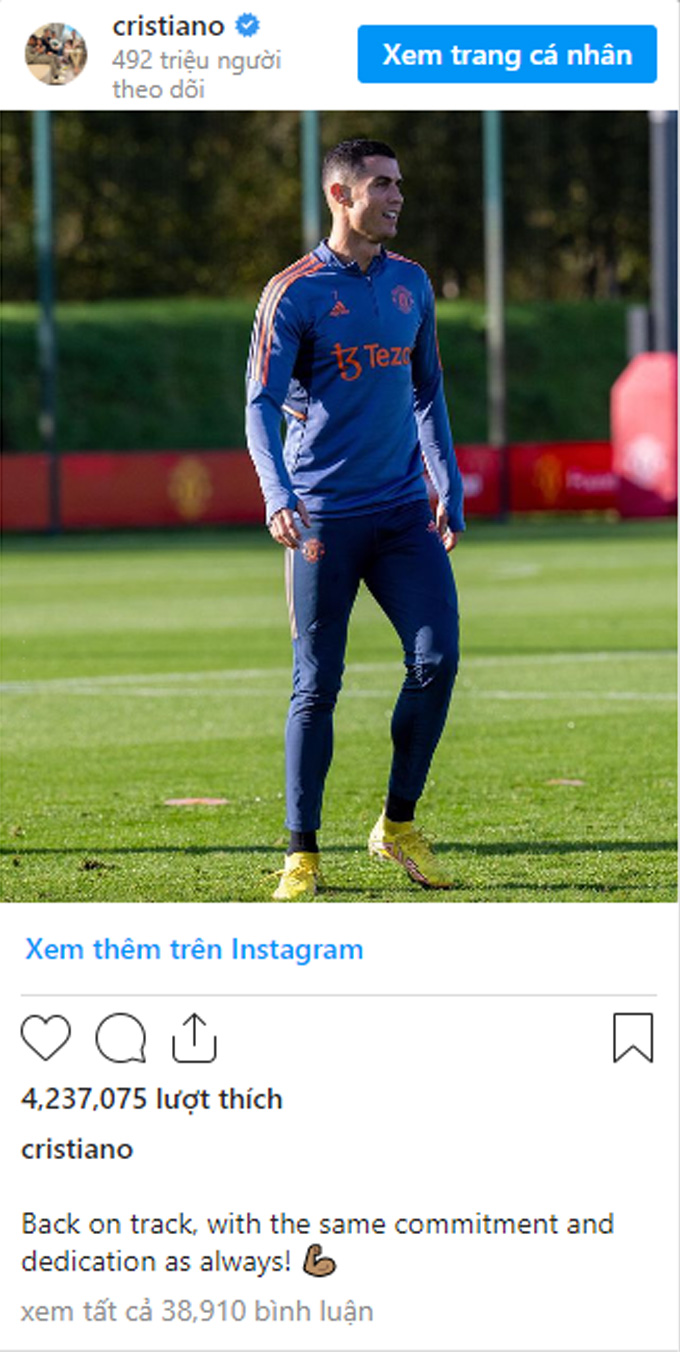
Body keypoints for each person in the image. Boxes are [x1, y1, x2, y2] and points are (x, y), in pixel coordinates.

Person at [246, 138, 464, 900]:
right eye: (382, 185)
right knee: (316, 686)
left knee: (437, 661)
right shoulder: (293, 293)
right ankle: (302, 856)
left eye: (399, 183)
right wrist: (277, 493)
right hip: (323, 520)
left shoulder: (412, 283)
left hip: (403, 513)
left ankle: (397, 825)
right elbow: (260, 404)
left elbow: (428, 390)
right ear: (341, 195)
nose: (398, 196)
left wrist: (447, 482)